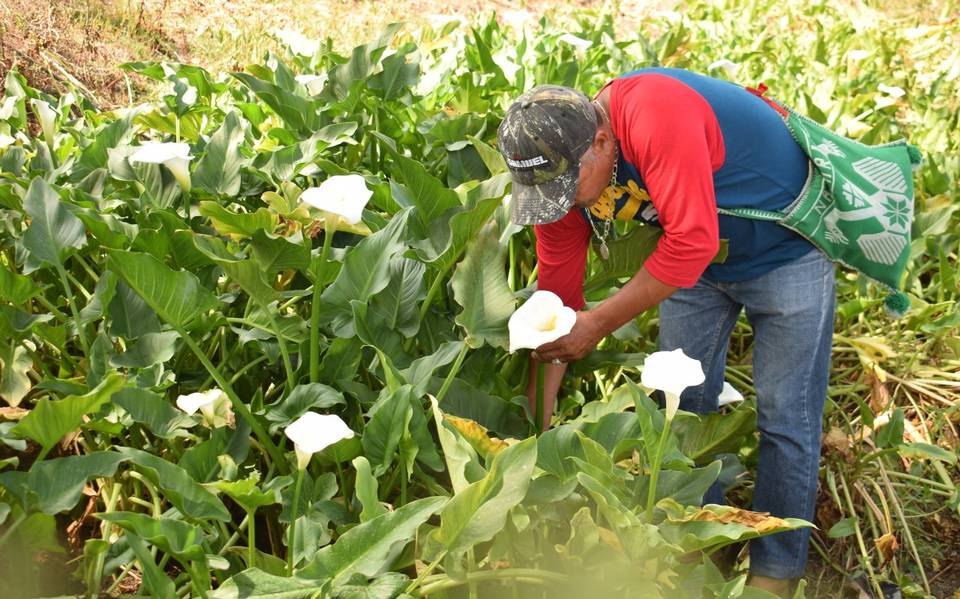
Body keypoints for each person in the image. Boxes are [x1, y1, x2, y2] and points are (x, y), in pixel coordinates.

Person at [496, 68, 837, 597]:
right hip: (696, 260)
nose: (558, 202)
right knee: (680, 407)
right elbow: (558, 305)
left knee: (784, 417)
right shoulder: (558, 180)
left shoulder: (653, 113)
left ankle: (775, 573)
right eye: (546, 192)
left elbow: (691, 242)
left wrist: (599, 325)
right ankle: (698, 547)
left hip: (784, 250)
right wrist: (534, 437)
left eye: (565, 187)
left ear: (604, 141)